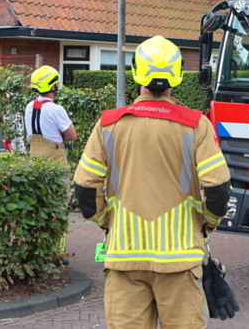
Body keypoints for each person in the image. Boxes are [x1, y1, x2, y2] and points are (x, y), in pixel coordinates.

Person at [73, 36, 231, 329]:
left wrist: (108, 221)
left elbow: (84, 186)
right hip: (181, 260)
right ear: (178, 75)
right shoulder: (196, 124)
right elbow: (218, 189)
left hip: (124, 258)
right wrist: (206, 223)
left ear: (136, 73)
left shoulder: (108, 124)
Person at [24, 65, 77, 169]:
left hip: (34, 153)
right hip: (54, 156)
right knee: (61, 181)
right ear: (52, 87)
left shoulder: (29, 106)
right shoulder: (56, 109)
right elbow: (72, 136)